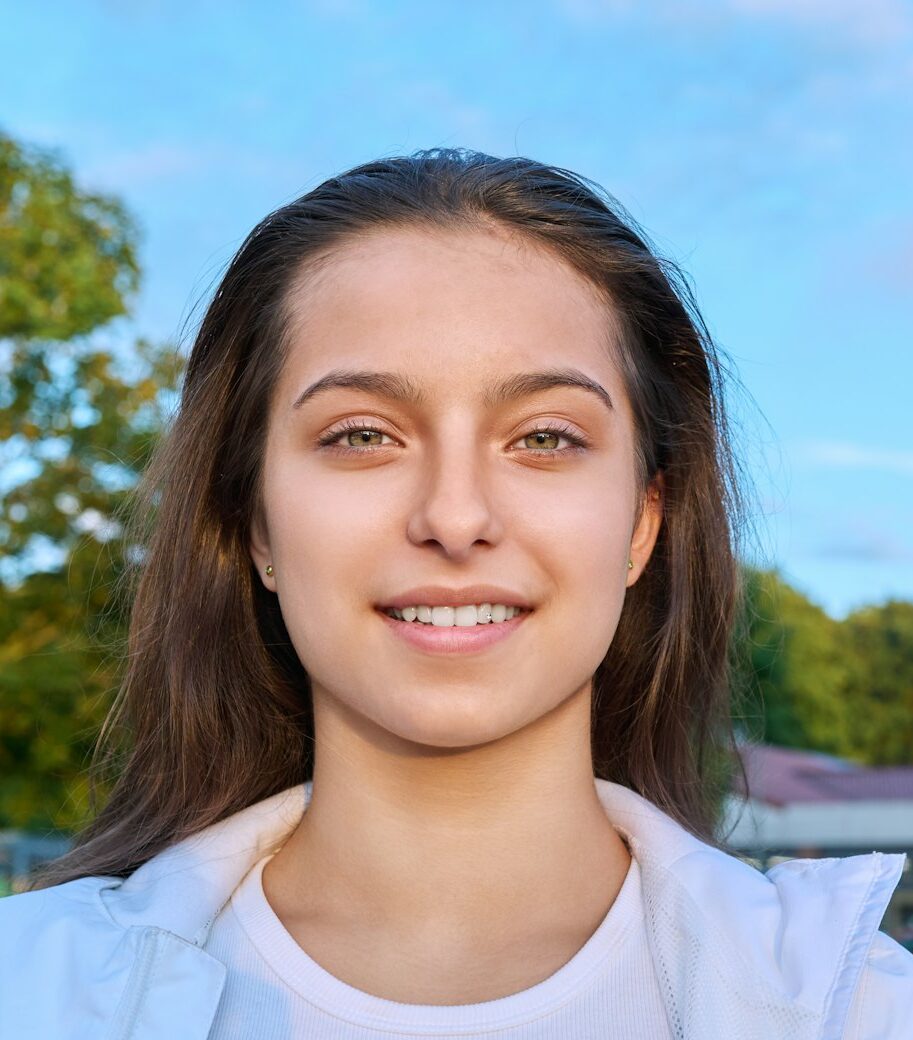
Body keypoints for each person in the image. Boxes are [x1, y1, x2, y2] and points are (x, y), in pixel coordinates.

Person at [0, 148, 909, 1039]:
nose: (455, 516)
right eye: (362, 435)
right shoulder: (28, 992)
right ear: (258, 524)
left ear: (642, 519)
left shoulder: (866, 1011)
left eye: (545, 437)